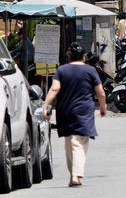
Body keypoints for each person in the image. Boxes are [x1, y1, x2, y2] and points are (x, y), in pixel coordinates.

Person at [43, 42, 106, 187]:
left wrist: (46, 104)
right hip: (83, 111)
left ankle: (73, 174)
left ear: (69, 56)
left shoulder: (62, 70)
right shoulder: (90, 71)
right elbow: (100, 92)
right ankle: (76, 176)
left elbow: (54, 89)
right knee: (79, 142)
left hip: (65, 112)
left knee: (70, 143)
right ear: (84, 56)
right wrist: (102, 107)